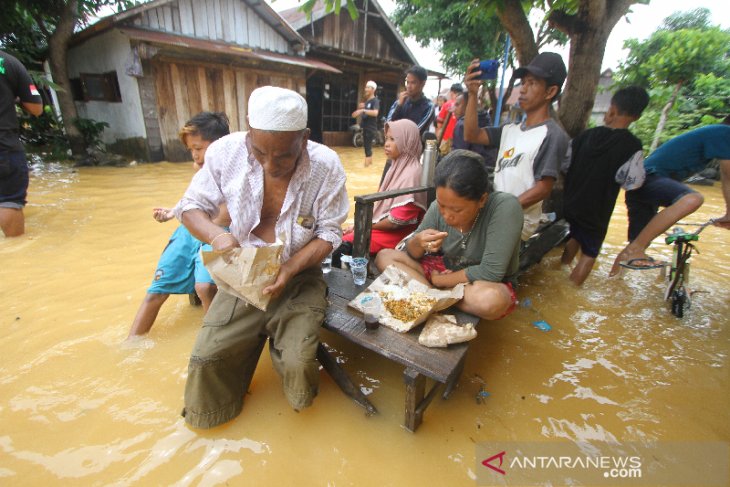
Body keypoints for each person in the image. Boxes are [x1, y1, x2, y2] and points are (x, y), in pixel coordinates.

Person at [172, 86, 349, 429]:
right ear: (248, 132)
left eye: (283, 155)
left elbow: (330, 233)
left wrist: (289, 267)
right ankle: (210, 418)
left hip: (299, 274)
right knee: (207, 359)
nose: (271, 165)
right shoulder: (225, 152)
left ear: (304, 138)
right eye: (259, 152)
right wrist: (219, 236)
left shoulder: (326, 165)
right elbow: (190, 208)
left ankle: (300, 415)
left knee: (299, 366)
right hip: (244, 272)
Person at [375, 150, 523, 320]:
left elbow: (491, 272)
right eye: (442, 205)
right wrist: (418, 242)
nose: (446, 215)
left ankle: (429, 295)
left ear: (482, 200)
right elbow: (411, 253)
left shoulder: (504, 207)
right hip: (443, 270)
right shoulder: (438, 207)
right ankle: (435, 297)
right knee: (384, 257)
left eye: (457, 209)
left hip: (478, 283)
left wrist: (439, 282)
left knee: (491, 301)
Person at [127, 112, 230, 338]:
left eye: (199, 148)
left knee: (204, 288)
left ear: (221, 144)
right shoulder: (199, 170)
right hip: (189, 232)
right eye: (191, 150)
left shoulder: (237, 171)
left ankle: (211, 339)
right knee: (157, 288)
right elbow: (194, 200)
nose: (195, 155)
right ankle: (131, 343)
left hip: (218, 234)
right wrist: (173, 212)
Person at [464, 52, 570, 241]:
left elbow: (543, 188)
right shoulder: (509, 129)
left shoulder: (552, 135)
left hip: (519, 220)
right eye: (523, 83)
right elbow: (471, 134)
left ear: (550, 92)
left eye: (532, 83)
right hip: (497, 213)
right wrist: (472, 94)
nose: (523, 89)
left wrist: (502, 209)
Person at [609, 116, 730, 275]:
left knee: (634, 246)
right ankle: (637, 249)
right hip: (649, 179)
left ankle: (612, 277)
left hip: (640, 185)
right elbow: (728, 177)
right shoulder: (725, 133)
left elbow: (725, 177)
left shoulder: (715, 136)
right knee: (693, 199)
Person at [560, 86, 650, 285]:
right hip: (597, 210)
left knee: (574, 235)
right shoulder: (632, 145)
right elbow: (632, 183)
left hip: (572, 202)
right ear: (636, 117)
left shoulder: (584, 136)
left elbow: (565, 164)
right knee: (590, 253)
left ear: (612, 108)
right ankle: (570, 289)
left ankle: (560, 269)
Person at [332, 119, 427, 267]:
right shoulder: (397, 166)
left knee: (341, 243)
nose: (386, 143)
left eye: (393, 139)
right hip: (383, 229)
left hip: (397, 236)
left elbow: (396, 222)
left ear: (407, 141)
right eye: (387, 138)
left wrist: (364, 226)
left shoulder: (412, 173)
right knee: (340, 235)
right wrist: (360, 225)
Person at [0, 50, 43, 237]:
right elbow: (36, 108)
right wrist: (14, 97)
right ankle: (16, 254)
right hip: (3, 144)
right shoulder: (8, 63)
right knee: (8, 200)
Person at [451, 92, 497, 170]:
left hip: (468, 172)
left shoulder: (462, 124)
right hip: (489, 170)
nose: (454, 109)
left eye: (457, 105)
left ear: (469, 105)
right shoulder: (486, 118)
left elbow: (458, 156)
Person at [386, 65, 435, 137]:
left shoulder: (428, 106)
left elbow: (418, 131)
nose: (409, 86)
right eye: (407, 82)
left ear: (423, 84)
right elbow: (388, 125)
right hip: (397, 146)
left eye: (413, 83)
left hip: (417, 147)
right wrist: (399, 106)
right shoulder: (399, 102)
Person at [351, 80, 380, 168]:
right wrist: (362, 108)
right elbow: (366, 112)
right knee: (367, 148)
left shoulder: (375, 100)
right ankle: (369, 166)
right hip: (366, 128)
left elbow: (375, 113)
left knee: (367, 148)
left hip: (370, 128)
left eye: (368, 87)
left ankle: (366, 167)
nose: (365, 89)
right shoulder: (368, 101)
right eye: (365, 87)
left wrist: (363, 110)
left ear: (373, 89)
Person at [435, 83, 463, 152]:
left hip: (445, 138)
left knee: (441, 158)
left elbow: (439, 123)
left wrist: (438, 134)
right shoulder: (464, 106)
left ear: (451, 92)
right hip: (458, 139)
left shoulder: (447, 105)